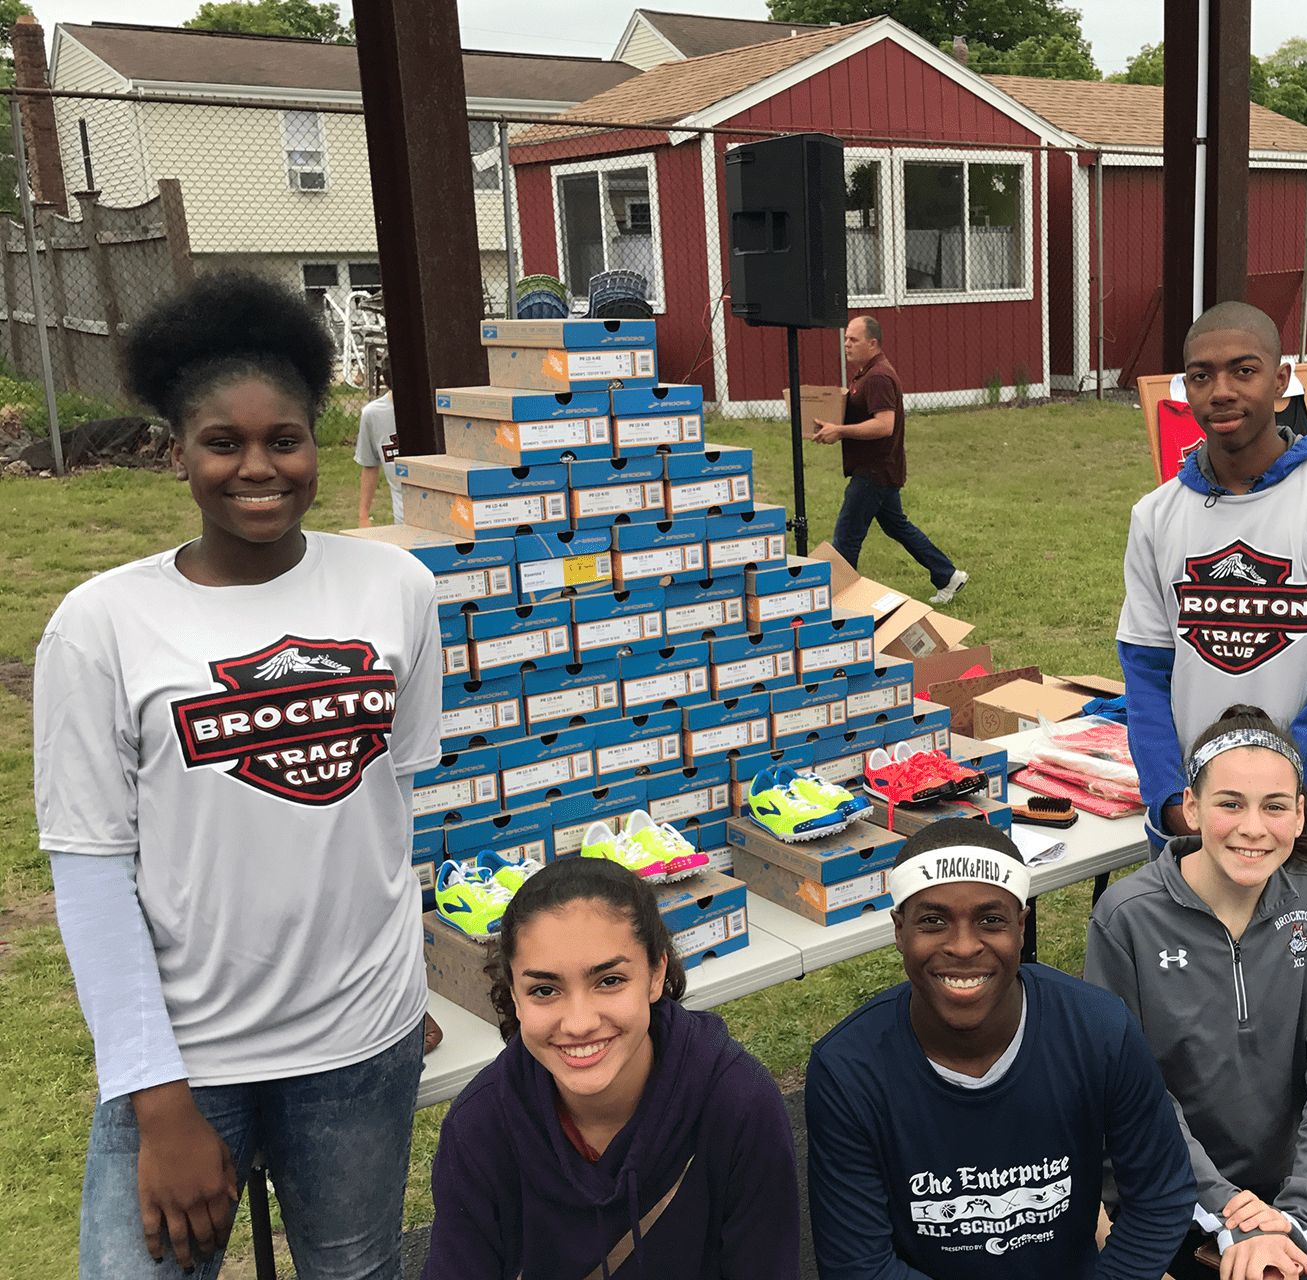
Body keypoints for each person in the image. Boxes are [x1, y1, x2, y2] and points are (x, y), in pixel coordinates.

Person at [35, 271, 441, 1277]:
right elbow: (89, 873)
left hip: (360, 1043)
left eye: (285, 438)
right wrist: (155, 1093)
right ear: (177, 452)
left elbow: (393, 801)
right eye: (225, 441)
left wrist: (411, 971)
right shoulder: (101, 623)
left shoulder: (395, 586)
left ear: (316, 438)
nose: (259, 465)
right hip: (188, 1057)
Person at [1115, 300, 1307, 1279]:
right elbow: (1145, 671)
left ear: (1282, 377)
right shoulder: (1159, 514)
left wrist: (1281, 806)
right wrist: (1176, 799)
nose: (1222, 391)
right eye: (1202, 374)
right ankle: (1213, 1207)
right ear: (1182, 388)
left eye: (1244, 370)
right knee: (1196, 1038)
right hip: (1198, 834)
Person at [805, 819, 1196, 1280]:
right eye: (933, 921)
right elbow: (859, 1266)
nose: (965, 946)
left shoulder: (1100, 1030)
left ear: (1022, 927)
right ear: (898, 930)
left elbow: (1161, 1195)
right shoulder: (849, 1070)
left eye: (990, 920)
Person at [1086, 705, 1307, 1280]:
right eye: (1229, 803)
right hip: (1165, 1199)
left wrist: (1291, 1224)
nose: (1252, 827)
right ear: (1190, 808)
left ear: (1299, 814)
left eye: (1274, 806)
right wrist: (1227, 1214)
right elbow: (1129, 1099)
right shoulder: (1126, 919)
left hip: (1285, 1203)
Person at [424, 856, 799, 1279]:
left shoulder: (738, 1106)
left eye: (609, 981)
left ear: (656, 974)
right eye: (545, 990)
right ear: (513, 994)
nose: (580, 1023)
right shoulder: (480, 1128)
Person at [814, 316, 969, 605]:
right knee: (897, 526)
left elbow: (884, 424)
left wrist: (841, 431)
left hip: (874, 472)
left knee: (846, 538)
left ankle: (837, 602)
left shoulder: (878, 377)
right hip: (879, 469)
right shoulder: (866, 374)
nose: (846, 344)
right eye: (846, 338)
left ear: (873, 344)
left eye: (854, 339)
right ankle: (947, 575)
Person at [355, 390, 402, 526]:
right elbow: (370, 465)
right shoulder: (373, 413)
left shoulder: (434, 404)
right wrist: (363, 516)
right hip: (403, 518)